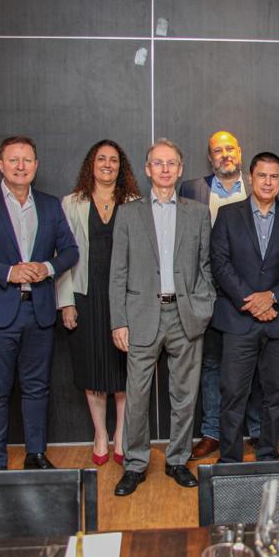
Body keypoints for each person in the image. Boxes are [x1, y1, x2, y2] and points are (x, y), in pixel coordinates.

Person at [0, 135, 79, 471]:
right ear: (1, 165)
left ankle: (36, 454)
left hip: (38, 312)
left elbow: (70, 250)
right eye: (13, 160)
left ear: (36, 166)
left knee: (37, 389)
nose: (20, 166)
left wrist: (47, 268)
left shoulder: (49, 205)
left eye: (27, 160)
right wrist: (8, 272)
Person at [109, 138, 215, 493]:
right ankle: (135, 463)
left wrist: (203, 306)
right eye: (158, 163)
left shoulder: (197, 213)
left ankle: (177, 459)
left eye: (171, 163)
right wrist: (119, 320)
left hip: (186, 315)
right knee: (137, 395)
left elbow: (206, 266)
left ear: (180, 169)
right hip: (141, 315)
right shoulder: (129, 213)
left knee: (185, 395)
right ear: (147, 169)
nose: (165, 169)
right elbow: (118, 272)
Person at [211, 152, 279, 463]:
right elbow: (220, 264)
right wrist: (253, 301)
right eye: (262, 175)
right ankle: (230, 460)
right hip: (238, 321)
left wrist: (272, 297)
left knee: (276, 395)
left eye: (274, 176)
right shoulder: (228, 215)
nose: (268, 182)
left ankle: (268, 453)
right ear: (251, 178)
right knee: (233, 395)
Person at [56, 140, 141, 466]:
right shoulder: (71, 203)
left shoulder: (134, 203)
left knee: (122, 372)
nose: (107, 164)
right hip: (85, 296)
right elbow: (61, 255)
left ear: (121, 167)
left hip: (124, 298)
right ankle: (100, 434)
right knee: (92, 370)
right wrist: (66, 302)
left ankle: (120, 433)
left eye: (114, 160)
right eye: (101, 159)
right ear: (91, 164)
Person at [179, 130, 261, 459]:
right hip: (207, 292)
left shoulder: (256, 186)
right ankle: (212, 431)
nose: (225, 154)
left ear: (240, 152)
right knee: (211, 363)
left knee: (252, 362)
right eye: (217, 150)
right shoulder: (191, 190)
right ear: (209, 157)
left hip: (250, 292)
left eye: (229, 148)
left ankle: (256, 429)